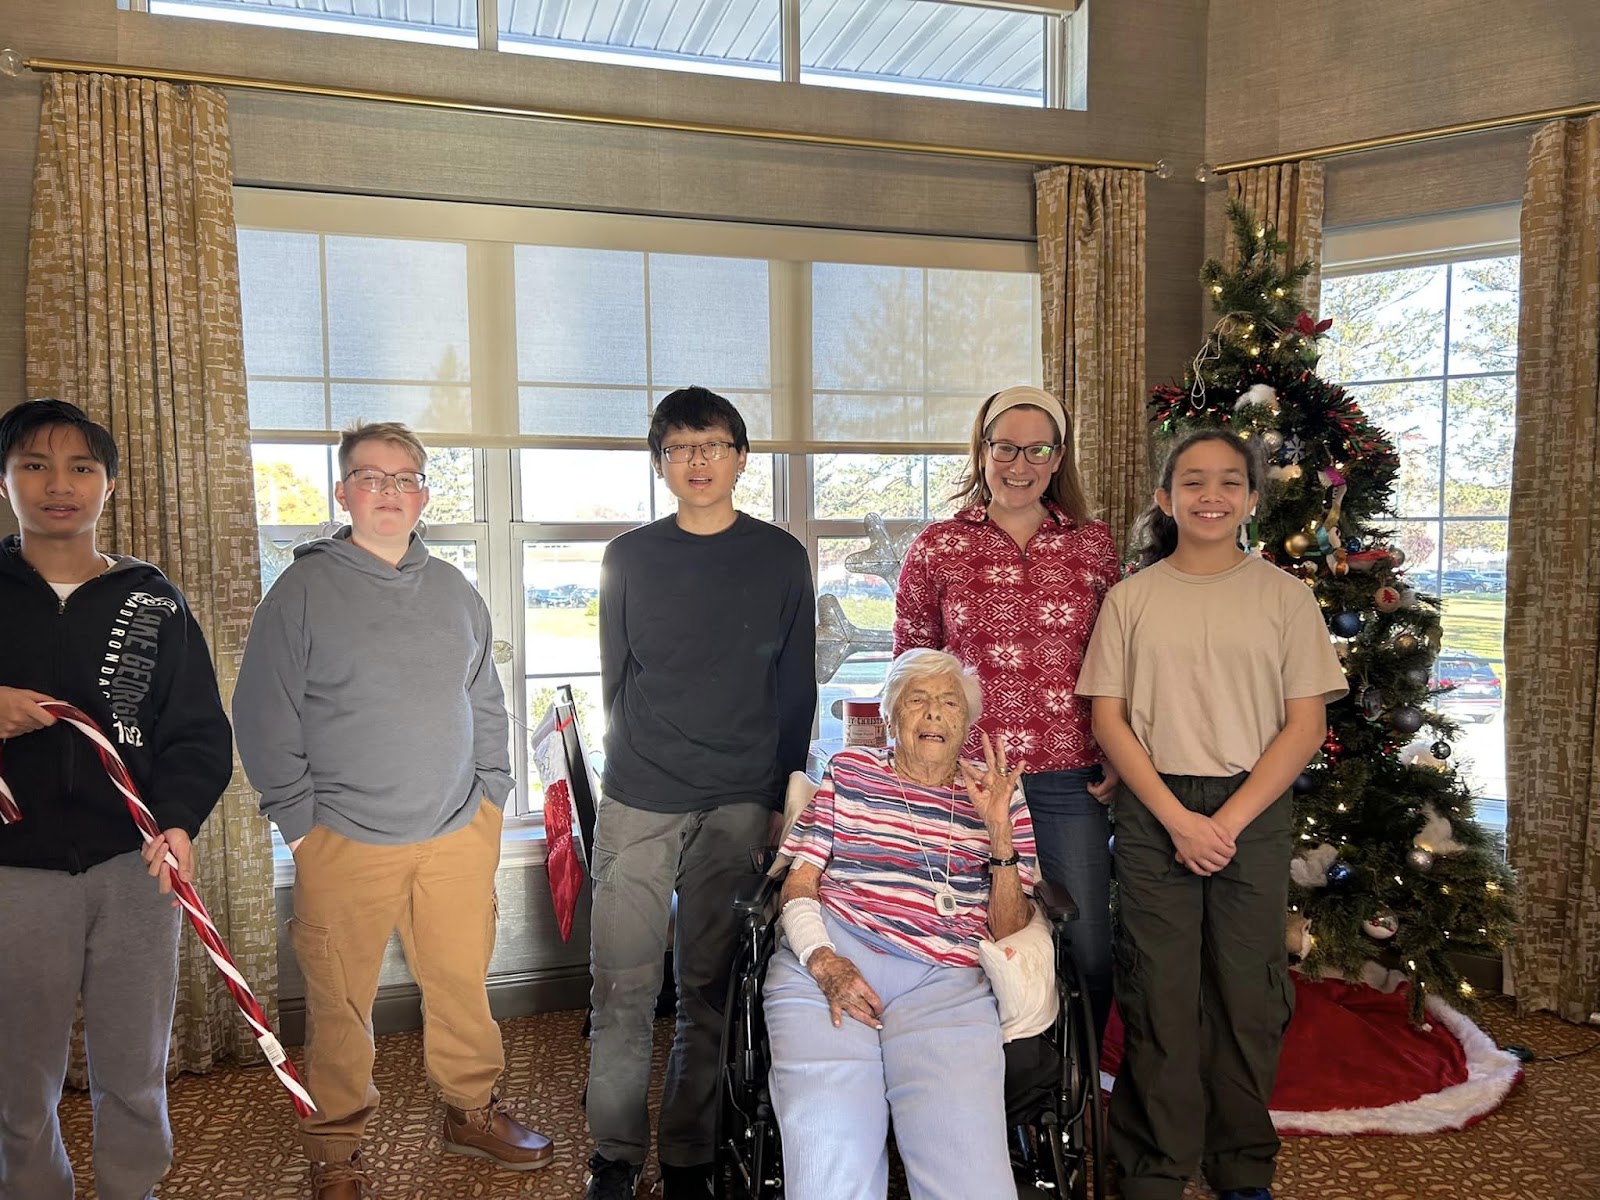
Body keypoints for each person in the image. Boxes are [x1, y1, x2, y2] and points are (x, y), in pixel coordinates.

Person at [234, 421, 552, 1200]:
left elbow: (485, 698)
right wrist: (302, 826)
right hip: (343, 839)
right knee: (341, 1006)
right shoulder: (301, 591)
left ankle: (470, 1109)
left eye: (404, 478)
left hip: (454, 831)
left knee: (459, 985)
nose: (388, 491)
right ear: (342, 492)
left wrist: (489, 796)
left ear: (424, 495)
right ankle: (335, 1148)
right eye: (370, 478)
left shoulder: (452, 590)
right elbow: (261, 716)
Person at [1077, 429, 1347, 1200]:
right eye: (1192, 481)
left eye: (1230, 482)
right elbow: (1109, 722)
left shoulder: (1285, 599)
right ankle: (1155, 1165)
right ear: (1165, 498)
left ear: (1253, 500)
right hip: (1155, 807)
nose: (1211, 496)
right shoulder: (1131, 599)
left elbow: (1304, 726)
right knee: (1157, 991)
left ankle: (1239, 1163)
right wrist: (1175, 818)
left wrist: (1225, 822)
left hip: (1250, 810)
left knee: (1247, 992)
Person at [585, 386, 816, 1200]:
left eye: (712, 445)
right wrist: (639, 761)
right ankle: (613, 1156)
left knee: (709, 986)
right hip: (642, 794)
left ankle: (690, 1152)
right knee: (621, 986)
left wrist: (784, 794)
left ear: (741, 457)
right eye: (680, 449)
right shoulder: (630, 556)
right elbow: (618, 679)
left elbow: (795, 684)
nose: (697, 462)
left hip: (740, 798)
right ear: (660, 464)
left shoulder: (781, 555)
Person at [0, 399, 233, 1200]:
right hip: (13, 873)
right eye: (34, 465)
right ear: (5, 482)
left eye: (81, 467)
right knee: (16, 1077)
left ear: (109, 485)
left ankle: (135, 1190)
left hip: (134, 868)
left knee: (134, 1067)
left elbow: (198, 732)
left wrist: (177, 824)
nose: (58, 484)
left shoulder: (153, 600)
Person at [766, 647, 1036, 1200]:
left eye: (949, 703)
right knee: (829, 1142)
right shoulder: (852, 773)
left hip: (949, 980)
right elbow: (800, 883)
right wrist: (823, 961)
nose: (934, 714)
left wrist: (999, 836)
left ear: (967, 722)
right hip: (836, 956)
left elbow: (1010, 931)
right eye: (918, 701)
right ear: (890, 718)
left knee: (970, 1171)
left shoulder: (997, 792)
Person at [894, 384, 1121, 1036]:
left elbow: (1119, 660)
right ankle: (993, 1089)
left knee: (1087, 947)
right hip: (965, 781)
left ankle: (1072, 1103)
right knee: (975, 945)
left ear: (1058, 458)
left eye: (1037, 449)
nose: (1019, 465)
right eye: (1005, 448)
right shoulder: (938, 546)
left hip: (1069, 778)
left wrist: (1115, 747)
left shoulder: (1093, 546)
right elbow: (909, 664)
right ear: (983, 451)